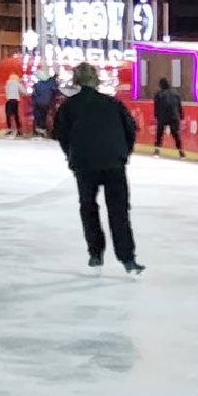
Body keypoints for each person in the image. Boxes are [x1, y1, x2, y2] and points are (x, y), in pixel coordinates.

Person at [54, 62, 144, 274]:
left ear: (76, 81)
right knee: (119, 210)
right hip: (113, 162)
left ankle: (95, 253)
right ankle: (127, 258)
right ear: (95, 80)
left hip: (84, 163)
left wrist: (72, 155)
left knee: (88, 207)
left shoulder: (68, 107)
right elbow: (130, 128)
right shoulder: (112, 103)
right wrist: (123, 153)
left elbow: (61, 134)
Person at [152, 77, 186, 158]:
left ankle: (157, 151)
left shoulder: (158, 94)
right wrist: (181, 116)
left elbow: (156, 107)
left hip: (163, 116)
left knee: (159, 134)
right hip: (174, 116)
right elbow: (179, 106)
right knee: (176, 134)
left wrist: (156, 116)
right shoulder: (175, 93)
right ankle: (181, 152)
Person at [31, 73, 59, 137]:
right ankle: (42, 131)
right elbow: (56, 92)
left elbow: (34, 93)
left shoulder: (39, 83)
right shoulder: (52, 83)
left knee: (37, 117)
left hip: (37, 103)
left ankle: (35, 131)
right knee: (43, 116)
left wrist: (34, 101)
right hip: (45, 103)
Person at [3, 71, 24, 138]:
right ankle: (18, 130)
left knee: (8, 115)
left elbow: (6, 91)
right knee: (15, 115)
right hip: (15, 101)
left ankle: (9, 129)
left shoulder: (7, 83)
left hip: (9, 100)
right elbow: (23, 91)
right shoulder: (17, 83)